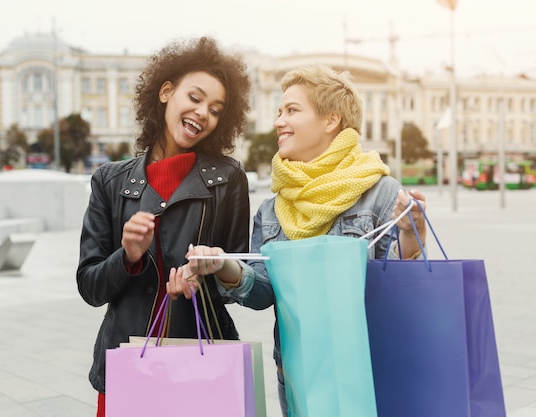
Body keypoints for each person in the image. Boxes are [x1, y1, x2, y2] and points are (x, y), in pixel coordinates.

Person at [175, 64, 428, 416]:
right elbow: (263, 291)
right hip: (297, 369)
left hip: (368, 366)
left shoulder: (381, 192)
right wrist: (224, 265)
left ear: (331, 121)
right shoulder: (273, 209)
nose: (279, 121)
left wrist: (411, 234)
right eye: (279, 111)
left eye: (292, 110)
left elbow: (405, 288)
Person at [76, 36, 252, 417]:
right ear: (166, 92)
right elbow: (90, 287)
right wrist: (128, 257)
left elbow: (240, 280)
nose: (203, 112)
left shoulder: (228, 177)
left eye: (216, 108)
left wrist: (208, 271)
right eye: (195, 97)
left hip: (203, 363)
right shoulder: (109, 180)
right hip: (127, 364)